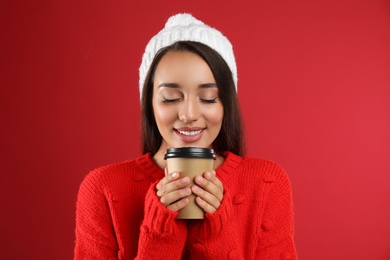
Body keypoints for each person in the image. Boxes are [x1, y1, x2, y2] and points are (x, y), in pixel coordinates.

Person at [74, 13, 297, 259]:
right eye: (170, 97)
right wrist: (159, 234)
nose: (189, 114)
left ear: (226, 104)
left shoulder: (267, 182)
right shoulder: (102, 188)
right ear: (149, 103)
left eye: (208, 98)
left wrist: (218, 232)